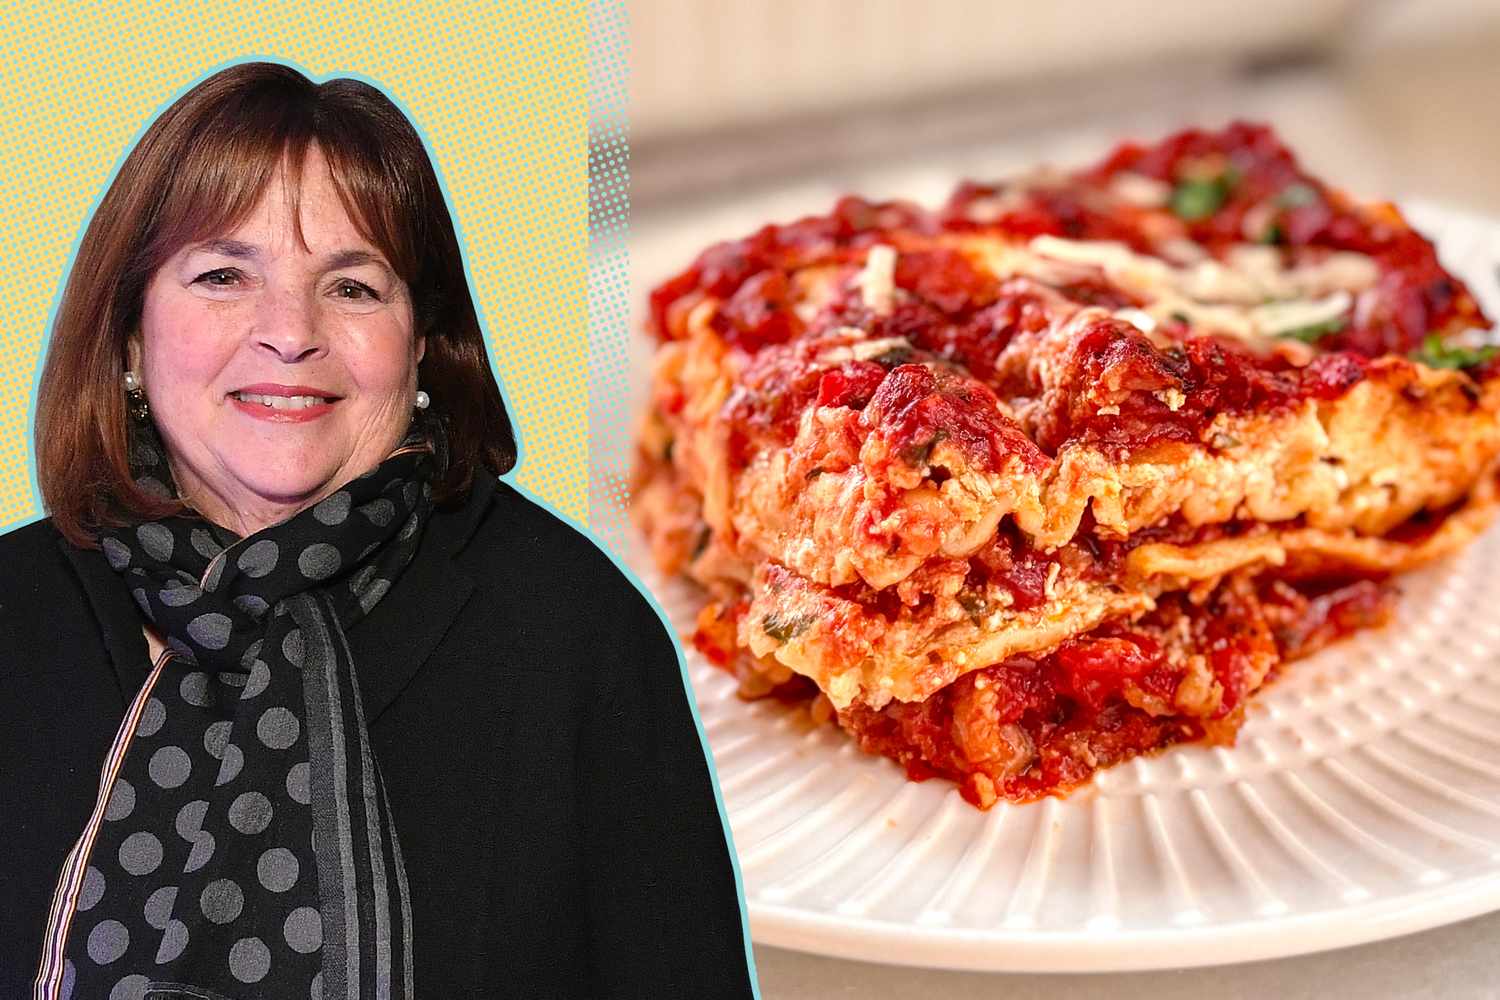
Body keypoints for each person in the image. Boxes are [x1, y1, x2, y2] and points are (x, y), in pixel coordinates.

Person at [0, 62, 756, 999]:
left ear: (424, 341)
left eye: (353, 287)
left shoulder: (574, 634)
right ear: (126, 337)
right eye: (225, 274)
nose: (290, 332)